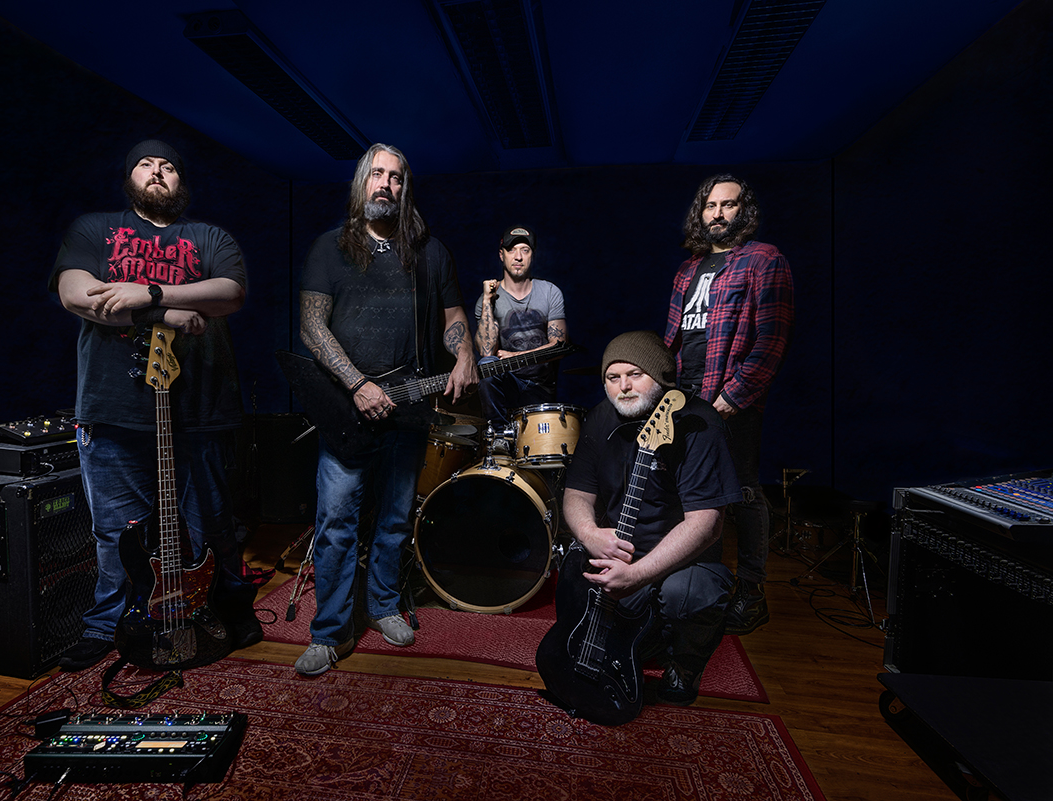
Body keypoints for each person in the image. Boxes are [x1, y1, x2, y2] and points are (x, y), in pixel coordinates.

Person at [50, 139, 260, 671]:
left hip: (200, 407)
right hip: (111, 405)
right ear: (131, 178)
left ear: (180, 181)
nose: (159, 171)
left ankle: (227, 611)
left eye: (169, 166)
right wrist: (165, 315)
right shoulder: (94, 230)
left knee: (211, 522)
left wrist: (149, 293)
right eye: (147, 164)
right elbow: (77, 294)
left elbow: (230, 292)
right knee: (117, 532)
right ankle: (109, 625)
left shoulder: (209, 236)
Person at [295, 143, 477, 677]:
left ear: (404, 189)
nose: (386, 185)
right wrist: (356, 384)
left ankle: (382, 606)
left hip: (410, 408)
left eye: (396, 178)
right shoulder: (329, 248)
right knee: (336, 524)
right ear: (361, 183)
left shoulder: (429, 251)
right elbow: (311, 326)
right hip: (347, 410)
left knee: (395, 521)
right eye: (377, 174)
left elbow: (453, 315)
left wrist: (464, 350)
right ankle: (329, 633)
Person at [560, 330, 742, 706]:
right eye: (613, 377)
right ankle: (634, 638)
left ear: (661, 377)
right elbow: (576, 495)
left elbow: (705, 523)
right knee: (572, 565)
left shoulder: (698, 423)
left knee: (688, 595)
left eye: (635, 374)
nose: (623, 386)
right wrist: (591, 533)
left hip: (680, 560)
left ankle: (685, 664)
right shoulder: (599, 419)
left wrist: (638, 575)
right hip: (621, 551)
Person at [664, 174, 795, 635]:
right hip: (687, 398)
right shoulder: (687, 270)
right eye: (710, 206)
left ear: (744, 210)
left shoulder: (763, 260)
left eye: (728, 204)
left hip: (730, 399)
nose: (717, 213)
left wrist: (728, 400)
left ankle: (752, 591)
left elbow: (771, 343)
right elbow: (672, 342)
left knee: (741, 491)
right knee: (694, 495)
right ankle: (707, 584)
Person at [473, 226, 567, 432]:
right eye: (511, 250)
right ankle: (498, 435)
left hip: (540, 389)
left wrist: (515, 357)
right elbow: (486, 353)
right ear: (501, 255)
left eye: (525, 250)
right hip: (509, 387)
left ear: (532, 255)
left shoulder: (550, 292)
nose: (518, 257)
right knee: (487, 364)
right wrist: (488, 301)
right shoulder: (487, 299)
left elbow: (559, 348)